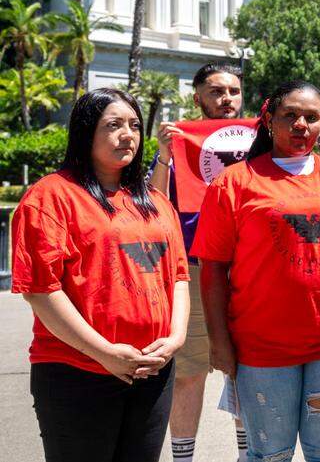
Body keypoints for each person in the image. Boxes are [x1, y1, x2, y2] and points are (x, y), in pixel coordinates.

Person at [193, 81, 320, 462]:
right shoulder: (233, 183)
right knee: (269, 454)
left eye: (311, 117)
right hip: (261, 349)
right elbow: (212, 269)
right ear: (269, 120)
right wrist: (219, 341)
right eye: (290, 115)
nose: (301, 124)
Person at [12, 88, 190, 462]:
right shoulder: (51, 196)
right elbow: (41, 291)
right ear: (85, 132)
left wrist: (174, 340)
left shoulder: (156, 202)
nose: (128, 134)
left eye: (135, 125)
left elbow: (177, 277)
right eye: (113, 125)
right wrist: (105, 353)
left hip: (153, 371)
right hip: (77, 372)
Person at [149, 63, 248, 462]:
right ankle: (183, 458)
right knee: (188, 372)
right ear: (198, 98)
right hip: (192, 269)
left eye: (234, 91)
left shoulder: (260, 141)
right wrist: (164, 155)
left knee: (246, 370)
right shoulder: (180, 142)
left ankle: (249, 454)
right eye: (216, 91)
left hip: (247, 269)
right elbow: (154, 205)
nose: (227, 98)